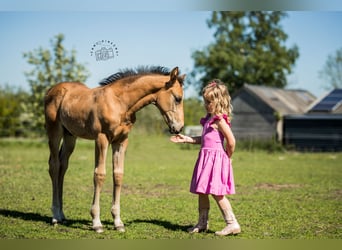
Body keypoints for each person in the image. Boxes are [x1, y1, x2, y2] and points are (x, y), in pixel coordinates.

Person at [170, 79, 241, 236]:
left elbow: (231, 141)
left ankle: (232, 223)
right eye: (205, 101)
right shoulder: (209, 120)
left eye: (209, 101)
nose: (206, 104)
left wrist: (227, 156)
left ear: (219, 101)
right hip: (205, 159)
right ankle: (202, 223)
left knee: (217, 193)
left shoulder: (220, 120)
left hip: (216, 160)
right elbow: (205, 139)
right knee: (202, 191)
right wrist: (187, 139)